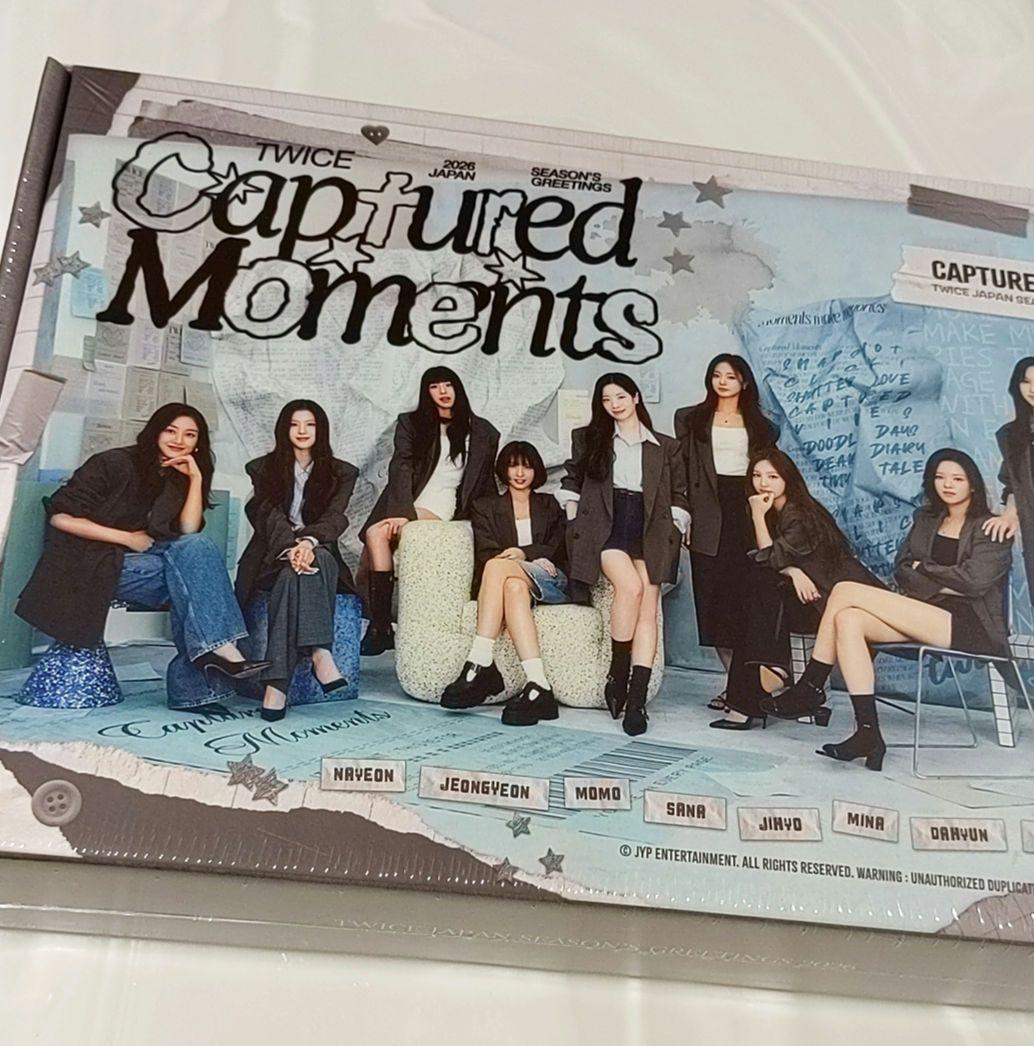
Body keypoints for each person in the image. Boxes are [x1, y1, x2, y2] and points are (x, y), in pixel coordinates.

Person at [764, 449, 1013, 771]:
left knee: (844, 590)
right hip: (922, 611)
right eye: (940, 477)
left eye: (957, 478)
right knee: (849, 618)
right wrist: (936, 578)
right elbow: (903, 569)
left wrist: (926, 570)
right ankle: (868, 733)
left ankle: (810, 687)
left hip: (969, 624)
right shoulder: (926, 519)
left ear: (973, 484)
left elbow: (975, 583)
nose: (948, 485)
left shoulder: (990, 527)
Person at [16, 403, 268, 708]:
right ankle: (207, 673)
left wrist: (196, 479)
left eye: (190, 435)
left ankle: (218, 653)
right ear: (155, 431)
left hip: (145, 559)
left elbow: (188, 530)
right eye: (171, 431)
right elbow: (60, 518)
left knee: (196, 551)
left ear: (198, 443)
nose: (179, 440)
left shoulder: (180, 473)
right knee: (193, 580)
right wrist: (126, 538)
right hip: (91, 559)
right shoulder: (114, 462)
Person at [711, 449, 882, 731]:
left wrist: (758, 516)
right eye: (757, 476)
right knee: (752, 593)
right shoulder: (777, 512)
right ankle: (763, 680)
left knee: (760, 587)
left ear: (787, 480)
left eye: (772, 476)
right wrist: (793, 571)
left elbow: (769, 558)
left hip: (832, 605)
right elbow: (769, 559)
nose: (763, 483)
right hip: (808, 600)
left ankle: (756, 690)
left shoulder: (799, 515)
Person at [559, 373, 689, 736]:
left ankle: (636, 699)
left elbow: (679, 494)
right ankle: (618, 670)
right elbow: (571, 481)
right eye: (606, 400)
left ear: (635, 398)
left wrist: (675, 528)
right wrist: (575, 519)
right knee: (630, 587)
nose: (614, 405)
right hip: (607, 524)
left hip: (651, 527)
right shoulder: (590, 439)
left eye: (620, 397)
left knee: (648, 605)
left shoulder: (665, 446)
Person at [359, 367, 500, 655]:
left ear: (458, 388)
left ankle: (381, 628)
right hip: (405, 500)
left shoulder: (483, 431)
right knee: (364, 564)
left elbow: (484, 482)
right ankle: (381, 626)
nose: (443, 391)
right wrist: (402, 510)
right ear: (427, 392)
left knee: (376, 535)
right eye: (435, 386)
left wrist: (490, 526)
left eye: (448, 384)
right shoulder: (412, 423)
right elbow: (400, 465)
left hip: (442, 503)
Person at [235, 400, 359, 721]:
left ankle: (276, 686)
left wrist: (308, 541)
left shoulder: (342, 472)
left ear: (321, 430)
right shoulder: (263, 469)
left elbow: (335, 517)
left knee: (311, 563)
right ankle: (320, 654)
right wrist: (291, 548)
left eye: (310, 424)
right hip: (273, 556)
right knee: (294, 572)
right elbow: (268, 514)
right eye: (294, 424)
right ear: (284, 429)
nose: (302, 431)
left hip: (320, 551)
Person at [674, 353, 779, 712]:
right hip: (707, 514)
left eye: (731, 376)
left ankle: (745, 690)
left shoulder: (763, 427)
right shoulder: (690, 419)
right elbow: (682, 471)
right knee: (714, 606)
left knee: (746, 605)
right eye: (716, 375)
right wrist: (684, 517)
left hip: (749, 515)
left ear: (744, 382)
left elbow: (770, 474)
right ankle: (736, 687)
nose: (722, 382)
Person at [439, 441, 568, 726]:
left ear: (536, 470)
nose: (520, 473)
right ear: (503, 470)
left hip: (549, 577)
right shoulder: (486, 507)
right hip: (512, 580)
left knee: (498, 566)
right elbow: (486, 552)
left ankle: (479, 661)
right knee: (511, 586)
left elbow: (560, 546)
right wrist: (518, 562)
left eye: (526, 466)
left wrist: (524, 553)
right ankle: (539, 684)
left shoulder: (549, 504)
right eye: (513, 466)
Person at [984, 357, 1034, 595]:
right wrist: (1009, 514)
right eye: (1025, 381)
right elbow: (1014, 484)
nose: (1032, 389)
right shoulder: (1011, 435)